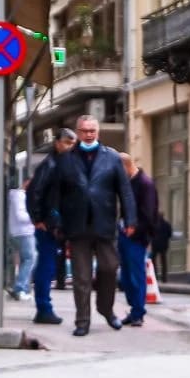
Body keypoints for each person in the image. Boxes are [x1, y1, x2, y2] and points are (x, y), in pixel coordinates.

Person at [45, 115, 137, 336]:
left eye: (92, 130)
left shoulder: (112, 157)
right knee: (82, 277)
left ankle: (106, 309)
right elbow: (55, 194)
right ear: (78, 132)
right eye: (84, 131)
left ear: (98, 132)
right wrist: (54, 220)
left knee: (109, 268)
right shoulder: (66, 159)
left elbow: (125, 191)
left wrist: (130, 219)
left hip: (104, 224)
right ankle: (82, 321)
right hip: (77, 226)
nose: (89, 135)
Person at [26, 128, 77, 324]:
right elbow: (35, 191)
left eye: (73, 143)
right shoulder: (51, 165)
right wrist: (38, 218)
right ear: (57, 143)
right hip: (47, 225)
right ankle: (43, 308)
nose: (70, 147)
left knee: (49, 265)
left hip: (55, 224)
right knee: (46, 265)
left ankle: (44, 307)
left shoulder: (62, 164)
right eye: (67, 142)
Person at [118, 152, 159, 326]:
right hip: (124, 233)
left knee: (136, 275)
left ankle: (138, 312)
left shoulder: (145, 184)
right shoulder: (128, 183)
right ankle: (134, 308)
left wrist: (135, 230)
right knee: (126, 276)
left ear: (126, 166)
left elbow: (149, 214)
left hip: (136, 237)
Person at [7, 182, 35, 300]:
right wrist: (35, 217)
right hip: (24, 232)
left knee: (27, 260)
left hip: (22, 231)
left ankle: (23, 288)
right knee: (29, 259)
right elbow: (20, 216)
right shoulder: (19, 196)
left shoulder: (18, 196)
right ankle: (20, 288)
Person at [151, 212, 173, 283]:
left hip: (155, 245)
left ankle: (155, 276)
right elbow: (170, 234)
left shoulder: (154, 224)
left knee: (153, 261)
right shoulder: (167, 224)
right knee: (163, 261)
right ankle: (164, 278)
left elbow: (150, 233)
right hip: (163, 245)